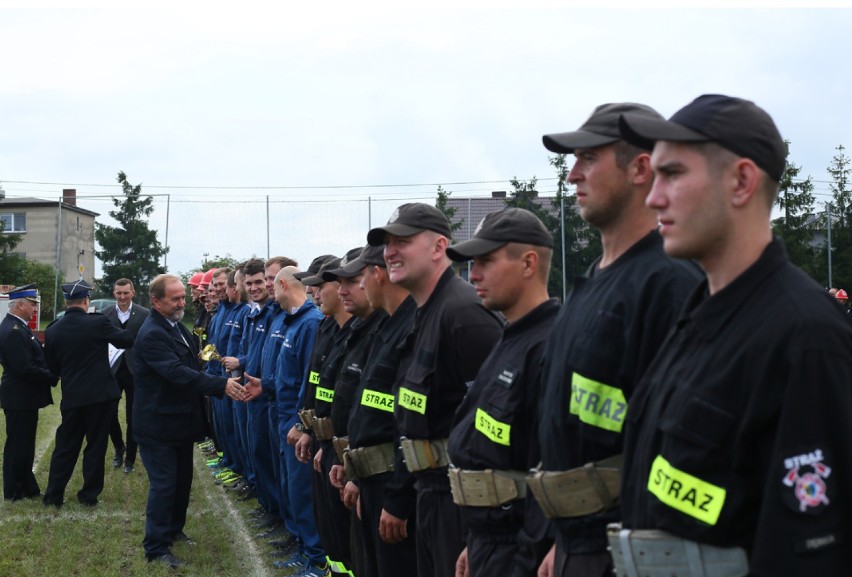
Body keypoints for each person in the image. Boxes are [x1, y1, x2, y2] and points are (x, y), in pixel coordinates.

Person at [613, 94, 852, 575]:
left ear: (741, 181)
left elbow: (811, 554)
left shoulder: (803, 337)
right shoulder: (698, 315)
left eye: (673, 174)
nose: (653, 196)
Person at [534, 103, 702, 577]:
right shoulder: (596, 280)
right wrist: (560, 541)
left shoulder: (668, 283)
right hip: (578, 542)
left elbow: (677, 445)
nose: (572, 176)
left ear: (640, 169)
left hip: (626, 552)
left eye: (587, 158)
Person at [367, 203, 503, 577]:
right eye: (387, 243)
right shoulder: (427, 311)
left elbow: (495, 429)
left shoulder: (464, 314)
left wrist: (483, 532)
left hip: (459, 505)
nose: (390, 252)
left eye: (403, 241)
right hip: (429, 495)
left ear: (439, 246)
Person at [445, 208, 560, 577]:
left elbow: (553, 470)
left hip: (521, 552)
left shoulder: (550, 347)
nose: (473, 274)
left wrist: (525, 559)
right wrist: (476, 544)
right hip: (490, 542)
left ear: (528, 264)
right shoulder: (510, 338)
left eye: (486, 262)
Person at [133, 273, 251, 568]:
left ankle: (174, 530)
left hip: (178, 422)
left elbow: (192, 361)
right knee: (164, 484)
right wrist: (218, 385)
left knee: (182, 481)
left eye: (183, 297)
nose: (181, 303)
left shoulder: (174, 327)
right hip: (158, 424)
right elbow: (175, 372)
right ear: (156, 301)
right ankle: (156, 547)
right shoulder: (152, 333)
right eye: (175, 299)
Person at [342, 243, 419, 577]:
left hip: (395, 483)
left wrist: (398, 496)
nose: (358, 287)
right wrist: (356, 473)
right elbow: (369, 406)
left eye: (360, 277)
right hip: (373, 478)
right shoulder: (385, 328)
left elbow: (408, 422)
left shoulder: (411, 326)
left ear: (378, 275)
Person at [43, 279, 135, 507]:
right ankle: (89, 495)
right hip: (100, 396)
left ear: (66, 303)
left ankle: (53, 495)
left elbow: (52, 368)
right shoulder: (98, 322)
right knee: (95, 445)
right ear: (86, 301)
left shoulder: (53, 329)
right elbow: (125, 340)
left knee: (65, 446)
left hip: (73, 396)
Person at [0, 284, 57, 501]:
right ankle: (14, 491)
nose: (34, 308)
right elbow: (24, 368)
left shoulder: (18, 326)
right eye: (32, 304)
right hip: (19, 397)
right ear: (20, 304)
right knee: (17, 445)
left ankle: (26, 486)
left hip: (24, 397)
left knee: (25, 444)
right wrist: (52, 376)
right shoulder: (13, 330)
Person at [104, 278, 150, 474]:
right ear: (114, 293)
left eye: (126, 293)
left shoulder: (144, 314)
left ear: (133, 292)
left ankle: (130, 457)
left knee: (134, 416)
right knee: (108, 413)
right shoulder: (104, 314)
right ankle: (118, 448)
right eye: (118, 293)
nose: (122, 296)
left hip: (135, 371)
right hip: (112, 371)